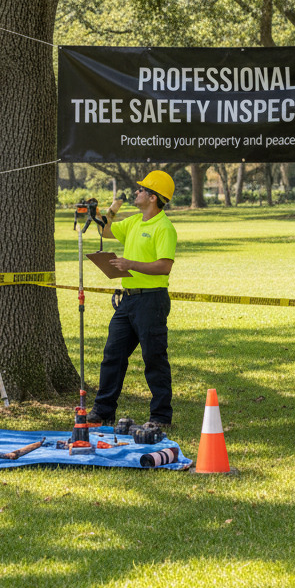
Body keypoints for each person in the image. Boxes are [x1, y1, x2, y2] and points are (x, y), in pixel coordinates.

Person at [87, 170, 178, 427]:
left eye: (141, 189)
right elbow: (106, 232)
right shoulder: (135, 222)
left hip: (152, 301)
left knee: (154, 358)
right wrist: (111, 209)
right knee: (112, 355)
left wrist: (130, 264)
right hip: (127, 301)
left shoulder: (164, 228)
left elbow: (164, 266)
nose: (136, 192)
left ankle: (161, 416)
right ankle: (103, 411)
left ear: (153, 197)